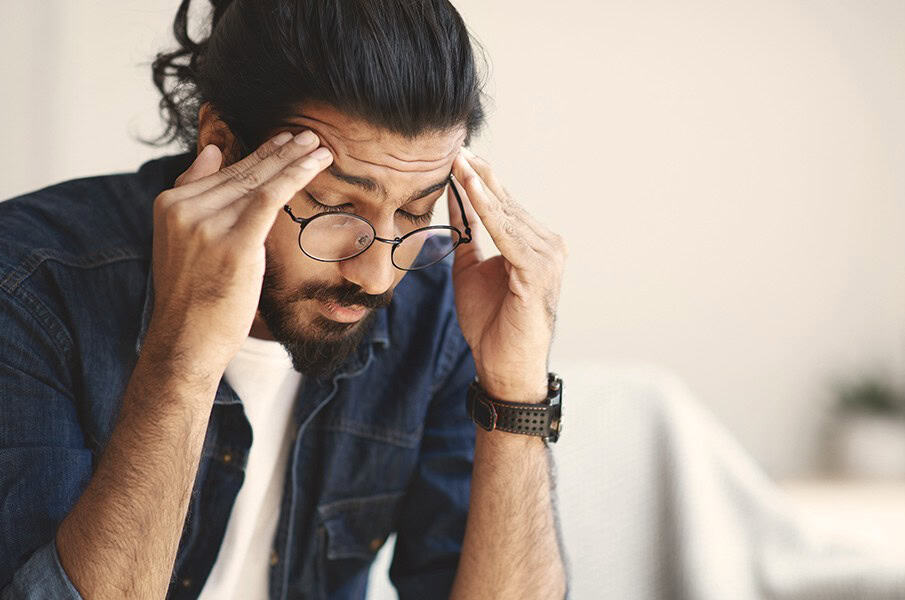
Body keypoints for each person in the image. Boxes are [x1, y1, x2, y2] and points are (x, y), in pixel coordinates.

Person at [0, 1, 567, 598]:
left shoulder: (438, 308)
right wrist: (185, 357)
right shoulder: (29, 286)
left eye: (415, 211)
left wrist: (515, 390)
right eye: (333, 206)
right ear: (221, 144)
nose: (377, 275)